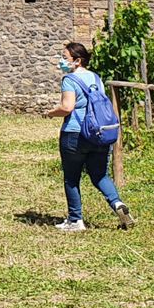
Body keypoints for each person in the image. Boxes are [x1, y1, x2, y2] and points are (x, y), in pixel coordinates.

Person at [43, 41, 136, 232]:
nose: (61, 61)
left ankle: (75, 220)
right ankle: (118, 204)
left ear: (77, 61)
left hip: (75, 134)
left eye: (64, 57)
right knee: (100, 175)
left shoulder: (70, 80)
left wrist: (51, 112)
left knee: (71, 178)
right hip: (98, 134)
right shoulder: (96, 78)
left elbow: (67, 107)